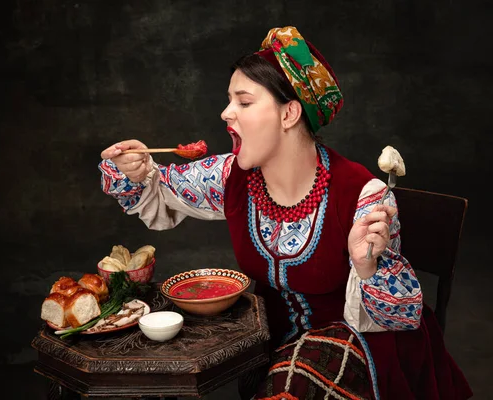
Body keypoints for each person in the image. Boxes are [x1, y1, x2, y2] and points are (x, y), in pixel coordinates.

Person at [98, 26, 473, 400]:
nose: (226, 112)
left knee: (293, 383)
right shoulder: (230, 177)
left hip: (363, 345)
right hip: (273, 346)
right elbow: (158, 189)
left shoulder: (363, 195)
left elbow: (399, 316)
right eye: (229, 101)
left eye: (243, 102)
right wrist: (137, 171)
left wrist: (366, 268)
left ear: (289, 113)